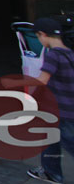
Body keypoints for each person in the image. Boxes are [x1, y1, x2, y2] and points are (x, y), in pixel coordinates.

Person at [26, 18, 74, 183]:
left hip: (59, 109)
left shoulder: (53, 55)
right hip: (66, 107)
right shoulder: (69, 53)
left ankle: (52, 172)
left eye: (38, 37)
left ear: (43, 35)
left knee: (69, 142)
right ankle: (51, 172)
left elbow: (42, 81)